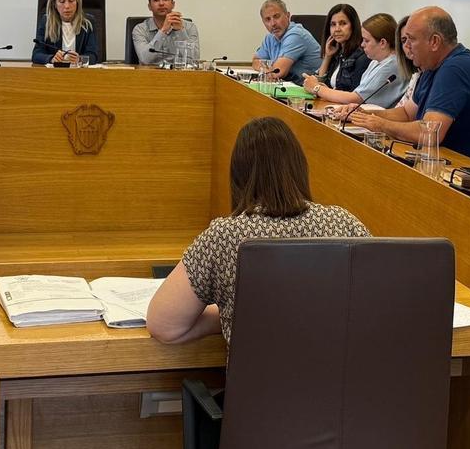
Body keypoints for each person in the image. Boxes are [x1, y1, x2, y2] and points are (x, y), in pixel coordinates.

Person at [146, 117, 370, 345]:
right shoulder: (346, 225)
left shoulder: (225, 236)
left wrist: (230, 315)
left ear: (238, 175)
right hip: (343, 379)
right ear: (300, 166)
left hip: (261, 380)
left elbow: (165, 326)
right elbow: (375, 308)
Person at [347, 6, 470, 161]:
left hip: (466, 166)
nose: (406, 47)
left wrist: (382, 125)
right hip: (440, 159)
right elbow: (407, 114)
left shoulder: (455, 68)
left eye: (411, 39)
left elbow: (431, 132)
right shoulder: (432, 65)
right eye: (405, 40)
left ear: (434, 42)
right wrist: (364, 115)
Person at [309, 11, 405, 108]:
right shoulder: (375, 61)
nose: (362, 44)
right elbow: (357, 93)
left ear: (382, 43)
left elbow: (356, 98)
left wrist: (317, 88)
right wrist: (326, 91)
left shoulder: (392, 65)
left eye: (366, 40)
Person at [301, 4, 369, 98]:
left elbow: (354, 96)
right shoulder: (337, 53)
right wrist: (327, 57)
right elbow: (320, 85)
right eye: (333, 24)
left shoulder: (362, 56)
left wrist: (319, 88)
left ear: (353, 26)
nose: (337, 29)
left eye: (343, 23)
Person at [251, 0, 321, 83]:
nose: (273, 23)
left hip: (313, 89)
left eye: (276, 16)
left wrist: (265, 70)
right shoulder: (270, 37)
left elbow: (278, 72)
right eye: (268, 19)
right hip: (291, 86)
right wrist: (265, 70)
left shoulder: (296, 35)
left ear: (288, 16)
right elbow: (255, 61)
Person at [32, 0, 100, 65]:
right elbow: (36, 55)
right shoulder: (46, 22)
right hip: (55, 74)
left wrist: (79, 59)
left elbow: (93, 55)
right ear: (54, 4)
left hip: (80, 74)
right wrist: (52, 59)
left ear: (77, 2)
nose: (67, 6)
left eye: (71, 1)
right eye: (61, 1)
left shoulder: (88, 23)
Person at [131, 0, 201, 65]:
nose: (161, 3)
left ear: (173, 4)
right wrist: (163, 31)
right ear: (149, 6)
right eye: (156, 0)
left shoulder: (190, 27)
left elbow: (194, 60)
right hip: (150, 75)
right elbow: (145, 60)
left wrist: (180, 31)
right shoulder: (140, 29)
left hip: (180, 75)